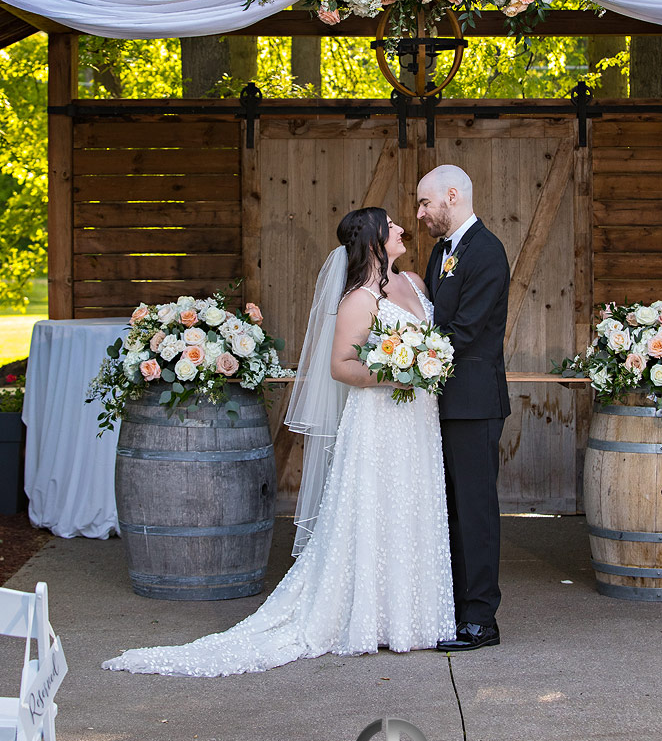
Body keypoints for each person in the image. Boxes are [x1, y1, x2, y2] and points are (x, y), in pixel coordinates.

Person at [103, 207, 455, 677]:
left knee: (412, 507)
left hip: (418, 420)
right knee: (375, 508)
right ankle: (369, 619)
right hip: (379, 418)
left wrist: (425, 364)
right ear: (371, 238)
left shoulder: (415, 283)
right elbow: (341, 366)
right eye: (390, 224)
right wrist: (399, 374)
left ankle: (412, 618)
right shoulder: (357, 300)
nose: (401, 229)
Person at [417, 165, 510, 652]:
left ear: (452, 196)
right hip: (443, 400)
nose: (420, 214)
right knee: (449, 509)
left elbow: (466, 330)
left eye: (425, 203)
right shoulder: (440, 252)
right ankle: (452, 607)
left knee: (475, 510)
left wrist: (409, 361)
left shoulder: (487, 252)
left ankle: (481, 619)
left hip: (474, 402)